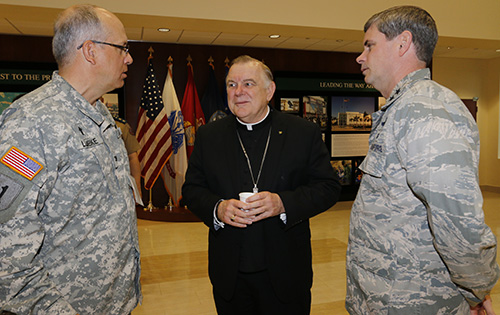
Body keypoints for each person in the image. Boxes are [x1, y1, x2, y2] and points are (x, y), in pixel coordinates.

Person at [346, 5, 499, 315]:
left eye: (369, 45)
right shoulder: (403, 108)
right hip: (386, 296)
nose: (360, 57)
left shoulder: (426, 110)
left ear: (402, 43)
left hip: (414, 301)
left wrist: (475, 290)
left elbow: (457, 220)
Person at [0, 4, 141, 314]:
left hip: (112, 303)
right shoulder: (32, 122)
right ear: (90, 51)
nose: (129, 57)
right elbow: (7, 250)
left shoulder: (99, 113)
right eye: (122, 48)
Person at [182, 55, 341, 314]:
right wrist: (218, 208)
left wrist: (283, 203)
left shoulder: (302, 133)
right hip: (230, 276)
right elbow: (191, 190)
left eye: (248, 84)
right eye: (231, 85)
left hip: (286, 273)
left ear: (270, 91)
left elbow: (328, 187)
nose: (238, 92)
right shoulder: (209, 136)